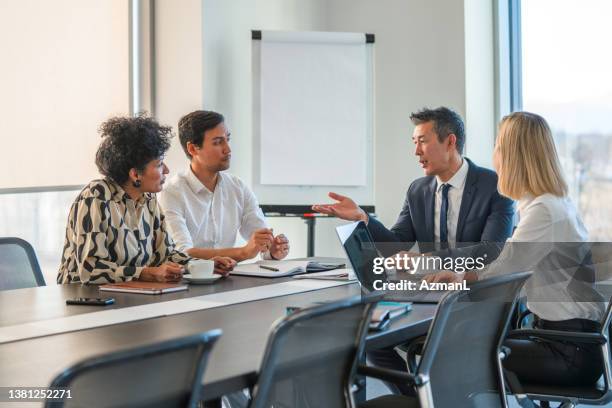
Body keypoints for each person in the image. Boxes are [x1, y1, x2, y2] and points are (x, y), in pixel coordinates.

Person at [313, 106, 516, 395]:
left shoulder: (494, 186)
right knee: (371, 338)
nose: (416, 151)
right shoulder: (418, 190)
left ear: (450, 142)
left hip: (475, 301)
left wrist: (427, 260)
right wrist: (364, 219)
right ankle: (418, 400)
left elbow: (489, 251)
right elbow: (397, 243)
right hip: (430, 297)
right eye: (414, 143)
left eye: (422, 141)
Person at [426, 111, 605, 388]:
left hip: (568, 351)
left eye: (498, 145)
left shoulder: (544, 210)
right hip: (566, 340)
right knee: (465, 344)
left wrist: (460, 277)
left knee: (455, 354)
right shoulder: (553, 203)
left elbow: (506, 269)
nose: (494, 152)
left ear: (513, 155)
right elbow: (516, 271)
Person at [57, 114, 235, 284]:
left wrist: (203, 264)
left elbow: (165, 255)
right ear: (135, 174)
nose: (166, 170)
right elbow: (90, 269)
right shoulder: (96, 197)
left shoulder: (148, 200)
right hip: (83, 300)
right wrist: (145, 273)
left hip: (127, 296)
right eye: (158, 165)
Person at [159, 110, 290, 263]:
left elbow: (261, 243)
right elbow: (182, 253)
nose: (228, 149)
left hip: (228, 280)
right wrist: (242, 252)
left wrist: (272, 250)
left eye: (227, 139)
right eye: (217, 142)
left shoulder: (238, 187)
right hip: (188, 282)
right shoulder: (172, 193)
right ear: (193, 149)